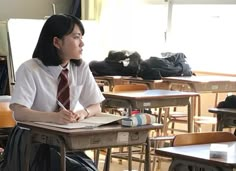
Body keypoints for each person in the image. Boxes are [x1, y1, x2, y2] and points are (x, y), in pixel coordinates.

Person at [9, 14, 104, 171]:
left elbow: (96, 106)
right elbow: (19, 113)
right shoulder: (30, 69)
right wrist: (54, 117)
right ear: (56, 42)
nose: (82, 43)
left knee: (87, 169)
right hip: (32, 142)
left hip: (65, 140)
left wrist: (84, 113)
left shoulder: (80, 68)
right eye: (76, 37)